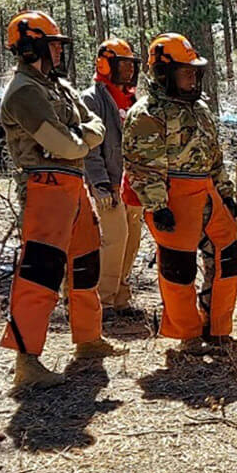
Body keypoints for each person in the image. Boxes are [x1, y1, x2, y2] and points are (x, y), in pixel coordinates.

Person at [0, 10, 120, 389]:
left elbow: (91, 127)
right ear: (32, 47)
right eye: (52, 45)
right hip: (43, 187)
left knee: (85, 261)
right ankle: (27, 361)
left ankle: (87, 339)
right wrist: (80, 139)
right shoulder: (23, 92)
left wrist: (79, 139)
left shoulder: (58, 86)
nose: (59, 52)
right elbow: (65, 144)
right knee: (41, 271)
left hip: (71, 183)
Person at [123, 33, 237, 354]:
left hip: (207, 192)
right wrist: (157, 205)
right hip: (172, 196)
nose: (193, 77)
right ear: (163, 73)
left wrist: (226, 193)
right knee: (178, 268)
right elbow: (142, 164)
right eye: (185, 71)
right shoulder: (148, 112)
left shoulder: (200, 108)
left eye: (194, 71)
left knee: (226, 256)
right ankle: (188, 335)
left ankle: (217, 328)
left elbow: (214, 157)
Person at [82, 38, 143, 320]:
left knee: (132, 239)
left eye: (132, 65)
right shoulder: (91, 100)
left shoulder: (132, 100)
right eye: (123, 65)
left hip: (132, 184)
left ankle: (121, 298)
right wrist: (99, 183)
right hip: (108, 183)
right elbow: (90, 147)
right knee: (115, 238)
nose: (129, 71)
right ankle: (102, 303)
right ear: (106, 65)